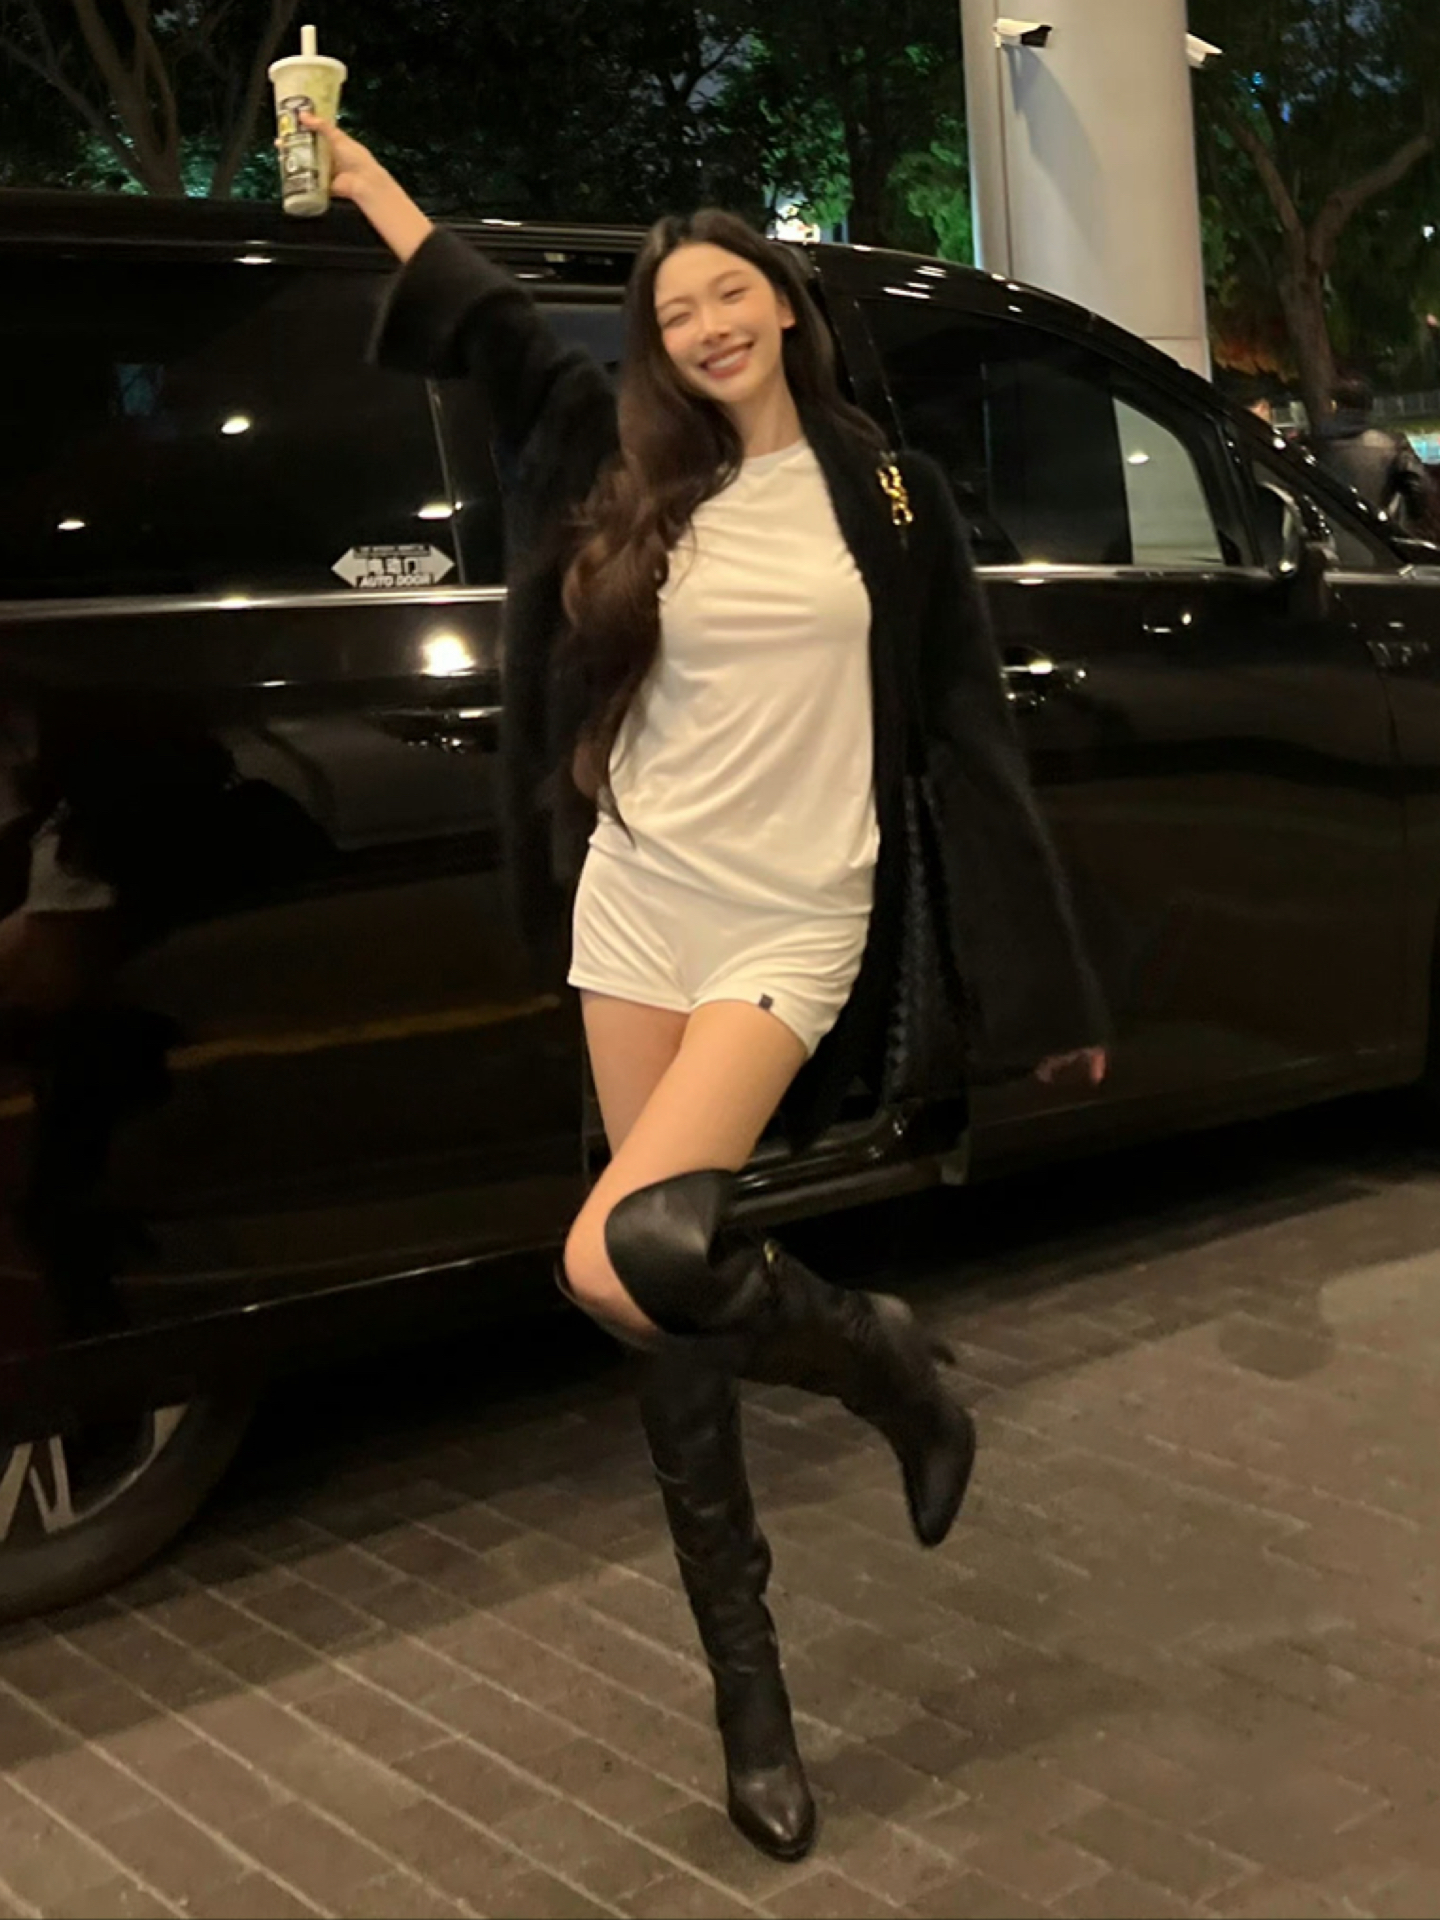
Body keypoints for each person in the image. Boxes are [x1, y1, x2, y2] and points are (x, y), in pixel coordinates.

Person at [302, 110, 1108, 1862]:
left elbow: (963, 727)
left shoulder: (889, 491)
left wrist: (1049, 992)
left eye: (729, 294)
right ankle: (753, 1696)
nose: (707, 328)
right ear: (656, 345)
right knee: (655, 1317)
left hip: (792, 917)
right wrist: (365, 180)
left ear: (782, 304)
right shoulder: (628, 467)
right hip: (640, 901)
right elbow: (492, 325)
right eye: (675, 314)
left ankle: (892, 1370)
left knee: (632, 1253)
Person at [1313, 375, 1435, 533]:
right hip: (1377, 536)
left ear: (1334, 405)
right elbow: (1419, 489)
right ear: (1369, 407)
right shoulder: (1393, 444)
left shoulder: (1310, 445)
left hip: (1328, 535)